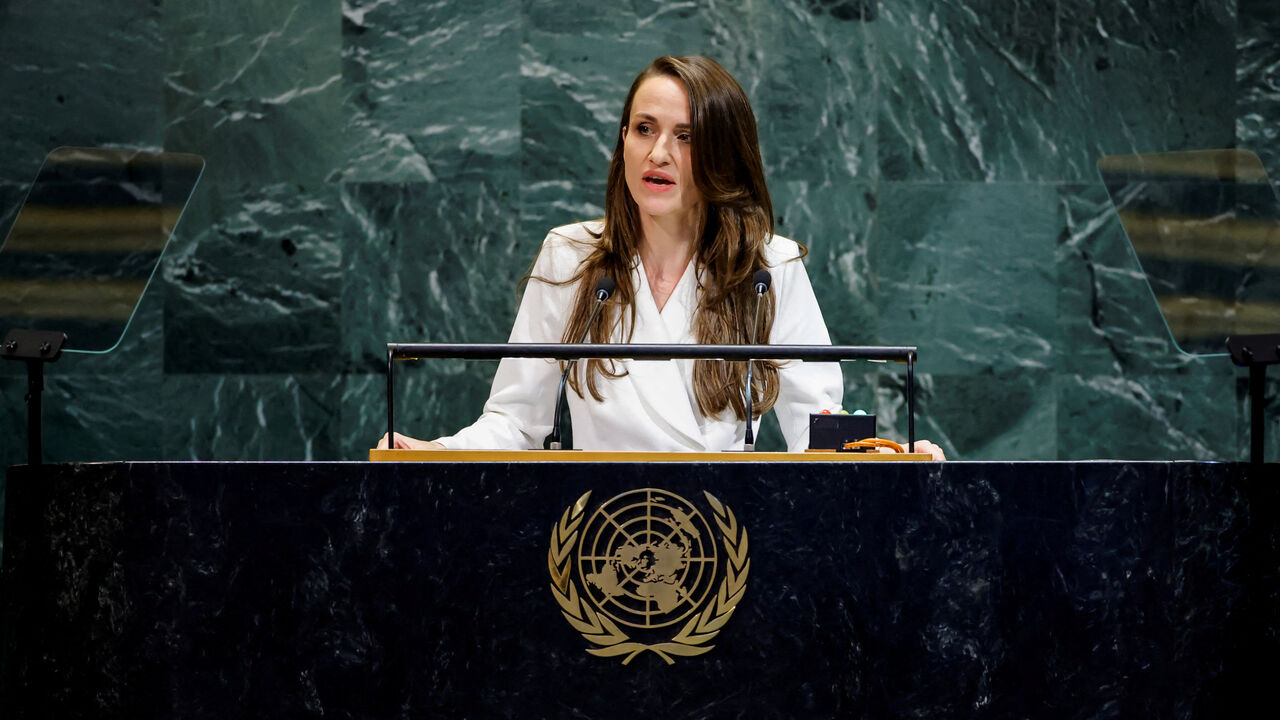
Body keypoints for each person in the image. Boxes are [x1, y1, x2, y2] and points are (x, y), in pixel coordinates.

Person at [378, 55, 945, 460]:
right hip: (595, 539)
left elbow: (816, 431)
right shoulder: (570, 256)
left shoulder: (769, 266)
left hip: (720, 542)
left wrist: (889, 457)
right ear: (622, 139)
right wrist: (432, 451)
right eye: (644, 129)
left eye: (686, 136)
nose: (658, 153)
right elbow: (514, 422)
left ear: (722, 152)